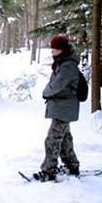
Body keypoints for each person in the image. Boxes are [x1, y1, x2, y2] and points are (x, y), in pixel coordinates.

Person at [33, 34, 81, 181]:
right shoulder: (63, 62)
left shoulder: (68, 65)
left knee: (52, 140)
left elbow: (58, 84)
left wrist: (46, 92)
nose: (52, 51)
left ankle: (49, 171)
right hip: (62, 107)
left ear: (62, 49)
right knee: (65, 139)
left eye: (54, 49)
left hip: (64, 107)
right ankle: (72, 166)